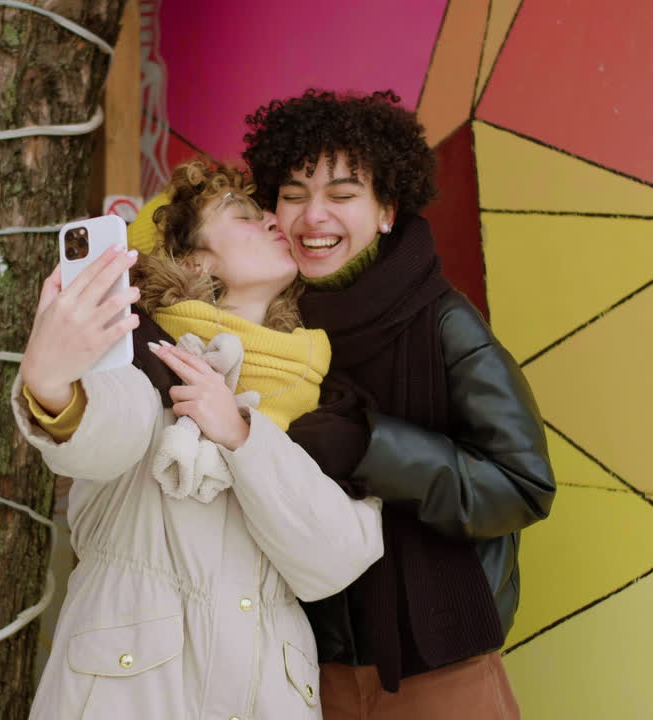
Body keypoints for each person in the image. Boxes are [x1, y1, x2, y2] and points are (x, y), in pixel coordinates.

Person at [14, 160, 384, 720]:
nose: (270, 222)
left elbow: (335, 561)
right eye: (242, 214)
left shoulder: (324, 400)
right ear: (194, 261)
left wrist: (240, 434)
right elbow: (106, 432)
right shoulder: (142, 360)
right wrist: (51, 385)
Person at [242, 89, 556, 719]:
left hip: (439, 666)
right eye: (295, 193)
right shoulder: (268, 324)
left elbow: (522, 486)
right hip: (306, 662)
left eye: (341, 193)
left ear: (386, 209)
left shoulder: (444, 322)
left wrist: (370, 448)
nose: (314, 217)